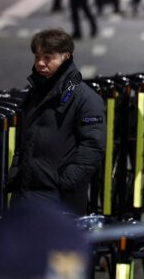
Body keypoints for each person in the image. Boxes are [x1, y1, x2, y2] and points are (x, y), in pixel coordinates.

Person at [7, 29, 106, 215]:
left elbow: (93, 147)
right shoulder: (36, 93)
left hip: (60, 200)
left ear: (65, 57)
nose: (40, 63)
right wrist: (16, 173)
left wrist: (65, 182)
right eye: (37, 57)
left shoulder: (85, 98)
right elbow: (25, 140)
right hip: (27, 195)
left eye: (47, 57)